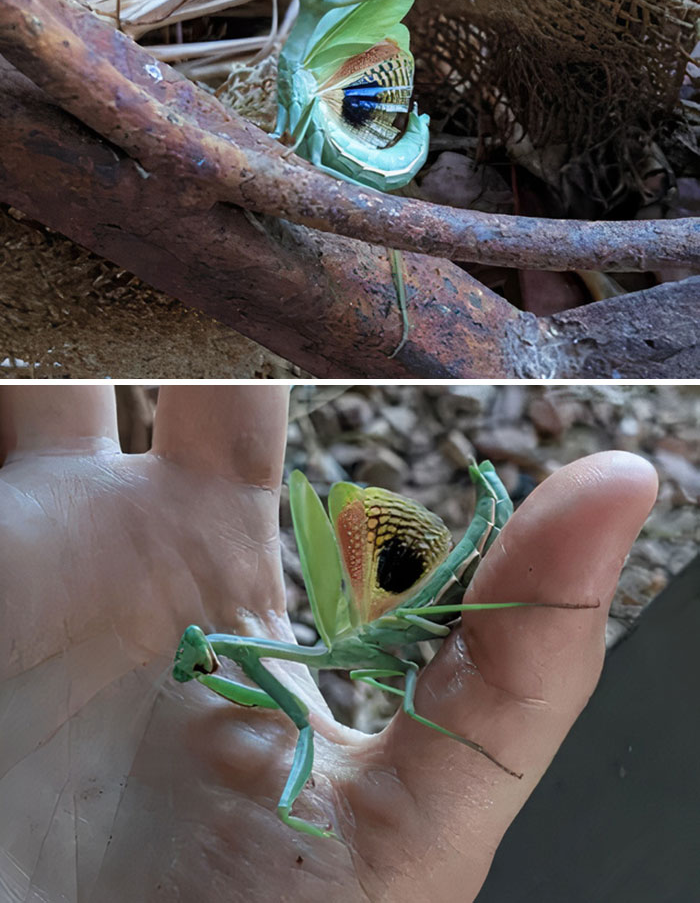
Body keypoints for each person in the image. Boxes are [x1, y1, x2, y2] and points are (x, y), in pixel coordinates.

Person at [0, 386, 657, 902]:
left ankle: (503, 514)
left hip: (391, 615)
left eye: (198, 656)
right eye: (200, 661)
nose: (197, 669)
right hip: (380, 622)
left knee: (446, 644)